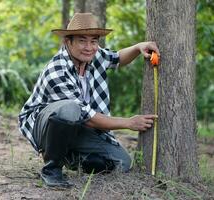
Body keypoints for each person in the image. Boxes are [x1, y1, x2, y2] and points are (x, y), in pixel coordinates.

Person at [18, 13, 159, 187]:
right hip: (44, 125)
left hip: (78, 124)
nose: (89, 47)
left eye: (94, 41)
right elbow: (88, 117)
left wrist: (138, 47)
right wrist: (128, 123)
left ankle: (71, 157)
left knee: (122, 163)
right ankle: (51, 170)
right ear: (68, 42)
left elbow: (117, 58)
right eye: (82, 41)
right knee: (70, 109)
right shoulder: (57, 70)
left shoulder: (95, 54)